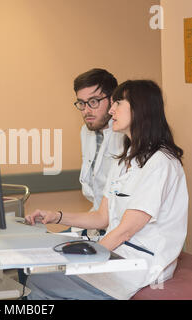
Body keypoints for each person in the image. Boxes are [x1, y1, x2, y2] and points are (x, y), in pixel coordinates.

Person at [25, 80, 188, 300]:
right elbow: (102, 217)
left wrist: (89, 257)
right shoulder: (124, 160)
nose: (111, 110)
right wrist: (57, 216)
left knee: (40, 282)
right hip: (118, 254)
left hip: (141, 264)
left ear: (140, 109)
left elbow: (126, 230)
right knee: (40, 274)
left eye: (118, 103)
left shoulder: (161, 163)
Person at [73, 69, 124, 237]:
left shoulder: (126, 135)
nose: (86, 110)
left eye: (93, 102)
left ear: (112, 100)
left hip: (120, 227)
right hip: (96, 222)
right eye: (81, 103)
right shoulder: (85, 132)